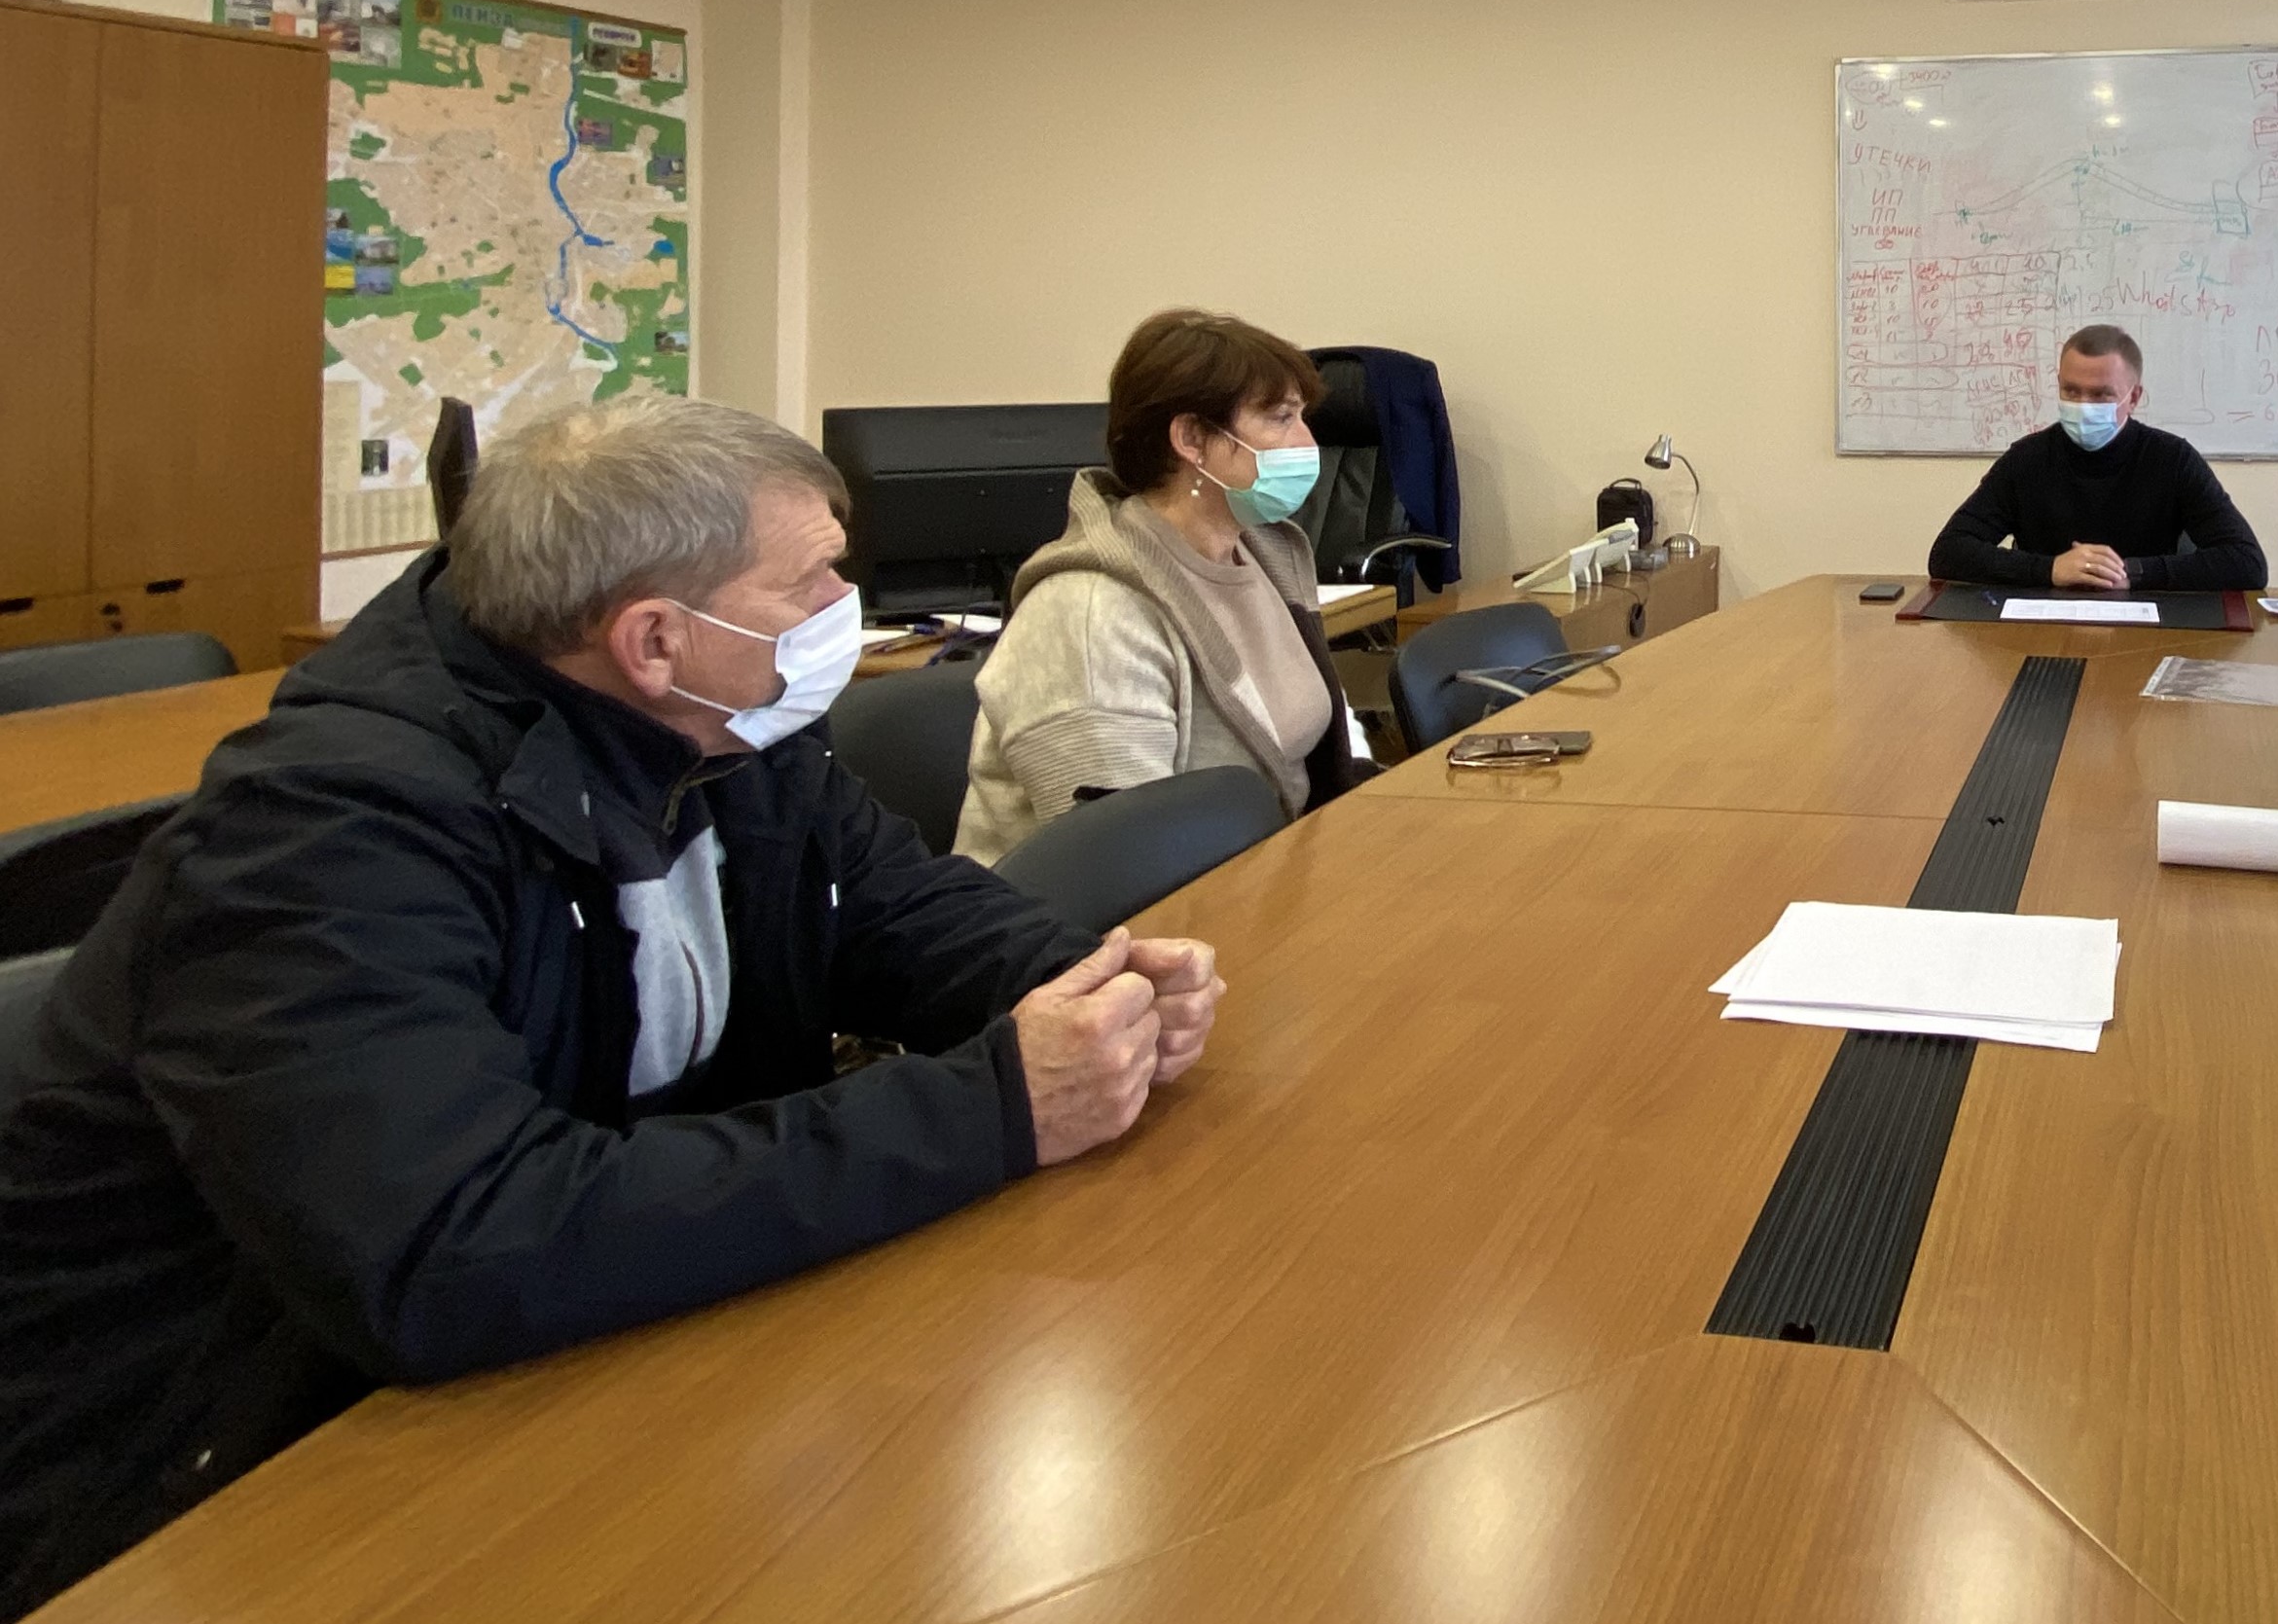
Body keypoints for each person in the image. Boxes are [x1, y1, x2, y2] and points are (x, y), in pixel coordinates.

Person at [0, 396, 1221, 1617]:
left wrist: (1080, 980)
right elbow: (456, 1243)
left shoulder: (725, 722)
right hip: (214, 1469)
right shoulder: (324, 837)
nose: (842, 607)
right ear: (654, 638)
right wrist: (994, 1101)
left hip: (607, 1332)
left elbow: (887, 903)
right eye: (811, 580)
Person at [958, 309, 1370, 867]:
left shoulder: (1265, 555)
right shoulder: (1090, 611)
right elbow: (1125, 858)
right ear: (1192, 438)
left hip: (1273, 869)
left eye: (1302, 417)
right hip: (1128, 910)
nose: (1307, 442)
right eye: (1280, 418)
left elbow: (1325, 732)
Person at [1927, 323, 2268, 594]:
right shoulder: (2026, 460)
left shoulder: (2173, 459)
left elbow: (2247, 562)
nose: (2083, 405)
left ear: (2133, 398)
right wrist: (2049, 569)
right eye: (2071, 391)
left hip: (2148, 624)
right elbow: (1948, 552)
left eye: (2101, 394)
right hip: (2041, 624)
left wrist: (2130, 572)